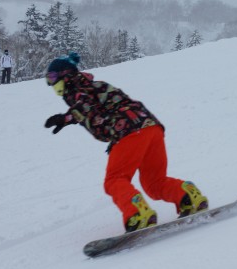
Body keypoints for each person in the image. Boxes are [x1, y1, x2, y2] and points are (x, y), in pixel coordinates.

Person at [43, 52, 208, 233]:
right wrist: (68, 118)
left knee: (114, 180)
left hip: (129, 132)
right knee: (154, 183)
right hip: (151, 128)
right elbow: (94, 107)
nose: (50, 83)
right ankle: (188, 196)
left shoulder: (76, 91)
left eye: (52, 77)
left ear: (65, 75)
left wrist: (68, 117)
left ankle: (137, 213)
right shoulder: (93, 86)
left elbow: (86, 107)